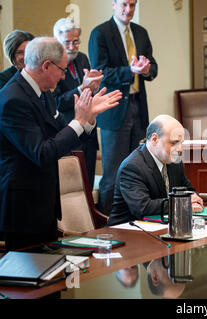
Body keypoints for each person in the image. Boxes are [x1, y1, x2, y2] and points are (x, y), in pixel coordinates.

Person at [0, 37, 122, 250]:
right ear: (46, 66)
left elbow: (65, 134)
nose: (65, 75)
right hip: (23, 210)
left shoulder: (44, 93)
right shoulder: (13, 99)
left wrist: (89, 118)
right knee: (30, 279)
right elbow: (43, 153)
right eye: (62, 70)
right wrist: (79, 120)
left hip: (45, 203)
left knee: (54, 275)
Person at [89, 0, 158, 215]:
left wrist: (146, 70)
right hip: (114, 108)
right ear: (114, 4)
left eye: (132, 5)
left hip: (139, 106)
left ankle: (135, 218)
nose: (128, 10)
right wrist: (130, 71)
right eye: (124, 4)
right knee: (113, 172)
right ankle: (109, 222)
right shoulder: (100, 33)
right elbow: (100, 72)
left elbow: (153, 68)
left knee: (139, 168)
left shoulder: (140, 32)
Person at [107, 115, 203, 226]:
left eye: (181, 143)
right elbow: (143, 208)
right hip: (128, 232)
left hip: (162, 227)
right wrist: (183, 203)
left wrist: (194, 199)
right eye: (173, 143)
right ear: (154, 139)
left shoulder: (175, 162)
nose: (180, 149)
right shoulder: (132, 167)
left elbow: (189, 191)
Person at [53, 18, 103, 188]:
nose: (72, 47)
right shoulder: (53, 63)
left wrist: (94, 88)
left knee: (87, 181)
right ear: (57, 41)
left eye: (75, 42)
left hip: (87, 132)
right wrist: (82, 88)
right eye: (67, 42)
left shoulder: (82, 58)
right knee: (70, 186)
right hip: (67, 129)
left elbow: (89, 90)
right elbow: (57, 102)